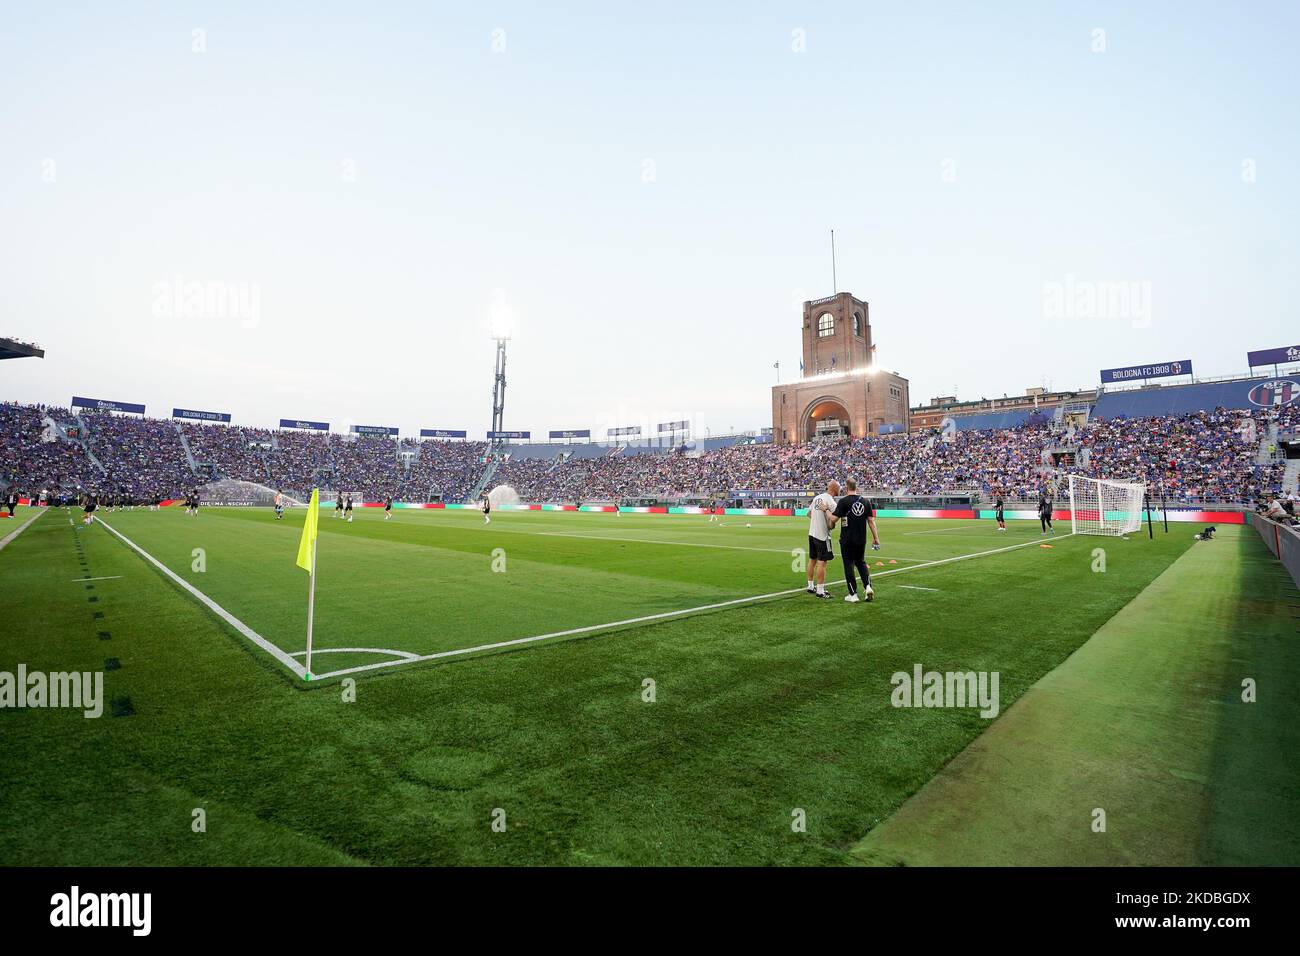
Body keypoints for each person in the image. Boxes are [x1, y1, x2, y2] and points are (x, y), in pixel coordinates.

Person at [829, 478, 880, 603]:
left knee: (849, 565)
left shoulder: (843, 502)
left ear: (846, 487)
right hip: (861, 539)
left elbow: (834, 519)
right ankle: (868, 587)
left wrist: (826, 511)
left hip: (847, 540)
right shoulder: (865, 501)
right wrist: (876, 538)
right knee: (861, 563)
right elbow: (871, 522)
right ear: (856, 487)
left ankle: (853, 594)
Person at [805, 480, 839, 599]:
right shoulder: (831, 501)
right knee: (822, 562)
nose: (840, 489)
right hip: (822, 536)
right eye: (839, 487)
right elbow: (833, 520)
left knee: (812, 560)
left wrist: (816, 521)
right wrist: (830, 525)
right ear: (834, 488)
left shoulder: (817, 498)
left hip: (812, 533)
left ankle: (810, 586)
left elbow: (808, 514)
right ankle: (820, 590)